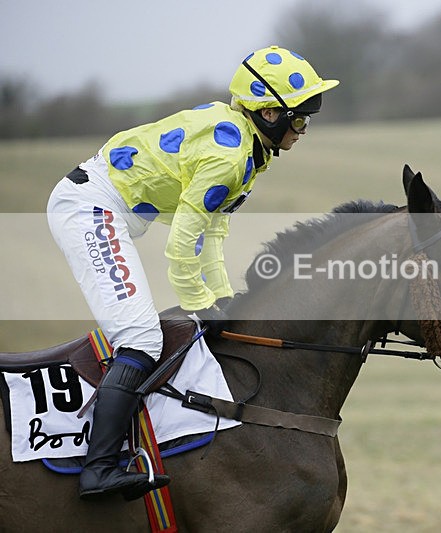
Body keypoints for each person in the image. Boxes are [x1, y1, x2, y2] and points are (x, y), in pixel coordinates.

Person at [46, 45, 338, 501]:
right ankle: (99, 468)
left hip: (108, 210)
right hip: (90, 209)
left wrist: (222, 298)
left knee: (152, 332)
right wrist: (199, 300)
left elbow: (214, 228)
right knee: (141, 338)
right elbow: (183, 240)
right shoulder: (229, 155)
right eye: (298, 119)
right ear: (268, 114)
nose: (302, 130)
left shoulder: (247, 147)